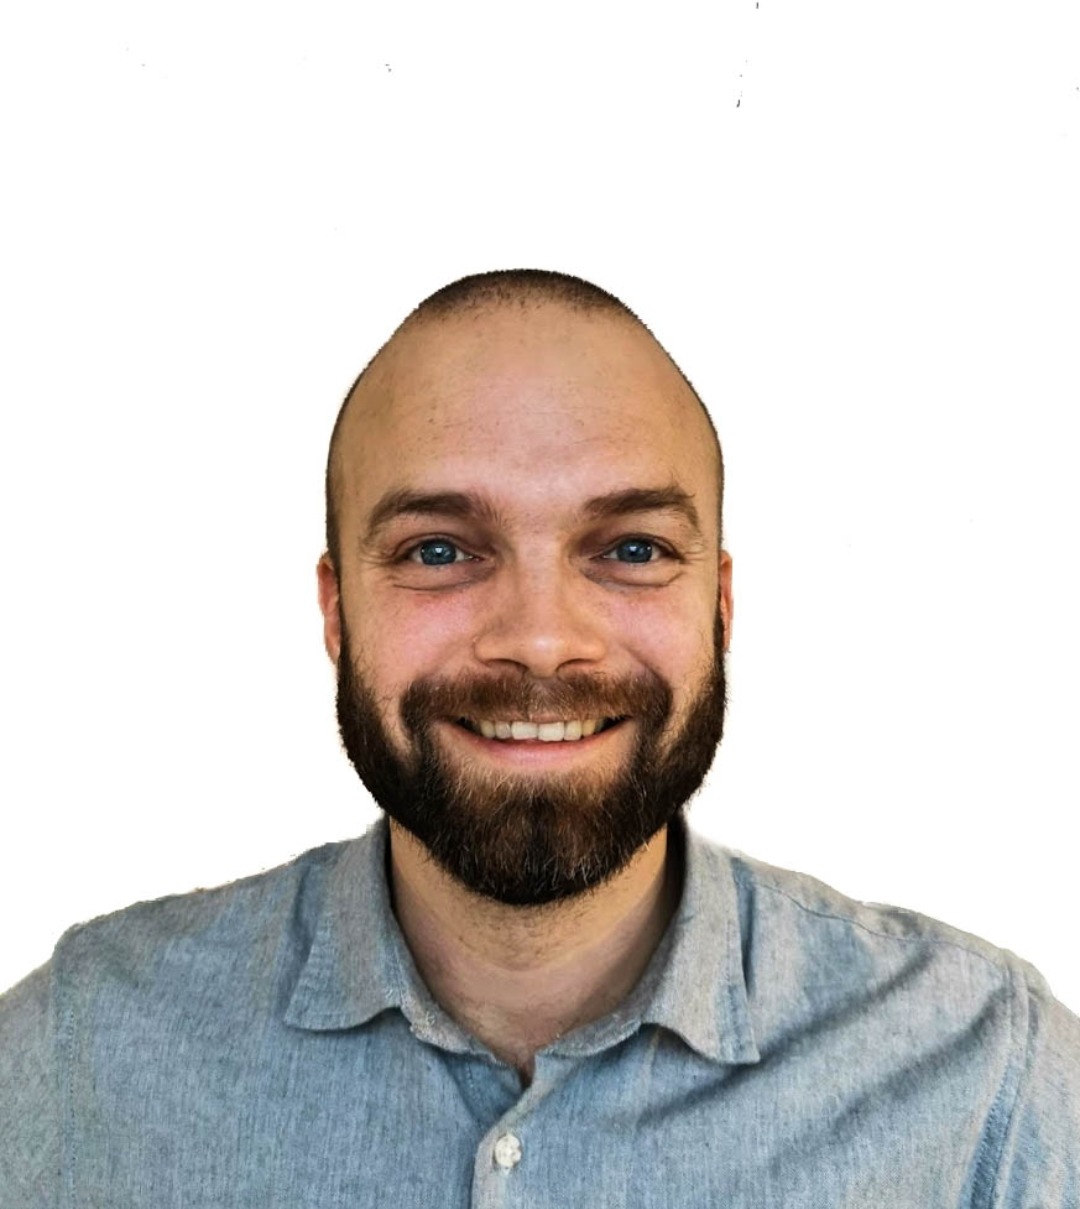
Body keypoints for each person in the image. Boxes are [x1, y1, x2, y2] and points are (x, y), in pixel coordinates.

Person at [1, 269, 1077, 1206]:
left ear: (720, 606)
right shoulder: (78, 1054)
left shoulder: (989, 1078)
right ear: (335, 612)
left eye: (632, 548)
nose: (541, 640)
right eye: (437, 551)